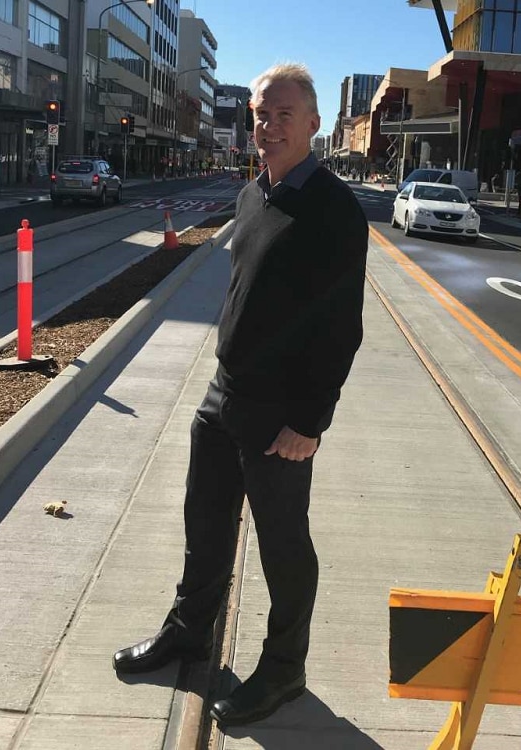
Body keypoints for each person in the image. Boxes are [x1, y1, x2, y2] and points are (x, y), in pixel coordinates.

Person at [112, 63, 369, 727]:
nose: (270, 126)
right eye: (261, 113)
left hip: (282, 413)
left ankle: (285, 668)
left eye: (284, 114)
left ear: (314, 124)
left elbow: (343, 327)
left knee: (284, 544)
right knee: (205, 521)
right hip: (223, 394)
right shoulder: (254, 195)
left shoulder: (334, 210)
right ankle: (190, 631)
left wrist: (311, 421)